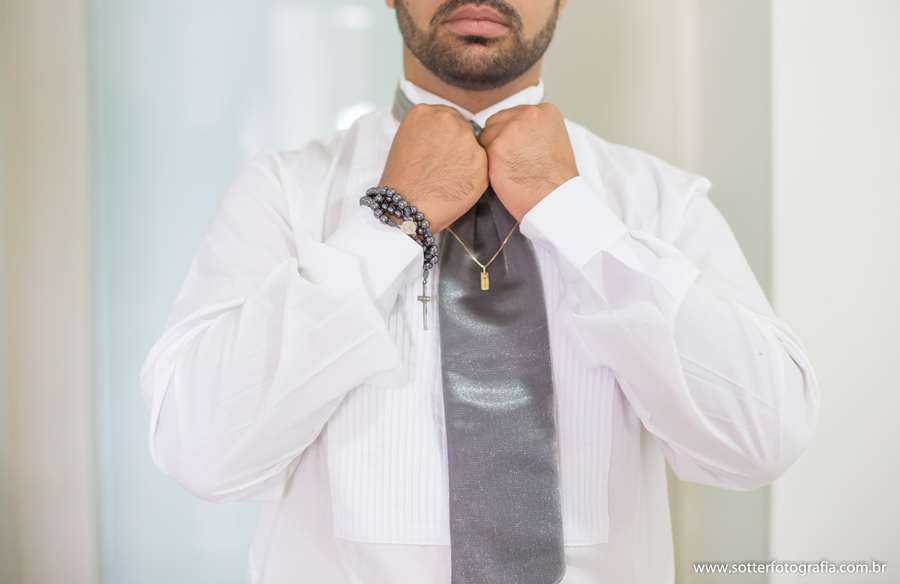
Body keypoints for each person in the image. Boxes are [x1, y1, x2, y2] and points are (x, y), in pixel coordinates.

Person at [140, 0, 819, 582]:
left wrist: (571, 212)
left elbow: (759, 443)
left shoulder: (660, 205)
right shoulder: (283, 193)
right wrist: (392, 220)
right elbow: (200, 452)